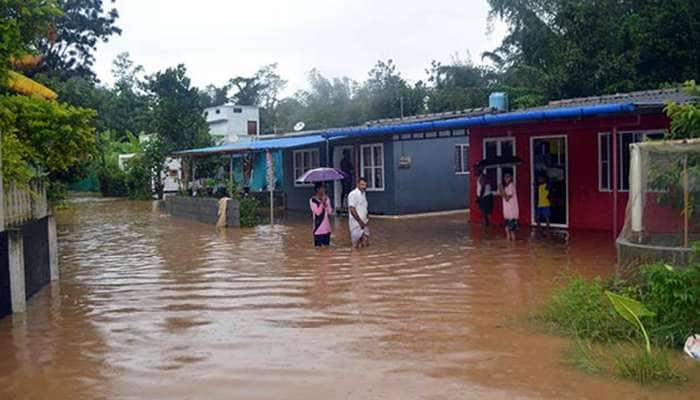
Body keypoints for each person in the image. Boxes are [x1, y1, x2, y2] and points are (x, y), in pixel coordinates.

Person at [348, 177, 370, 249]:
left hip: (364, 222)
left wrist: (366, 219)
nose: (364, 187)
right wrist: (360, 222)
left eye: (365, 185)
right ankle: (355, 258)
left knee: (365, 243)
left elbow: (364, 208)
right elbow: (352, 209)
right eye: (362, 185)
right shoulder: (353, 194)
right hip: (356, 223)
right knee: (356, 245)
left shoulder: (363, 194)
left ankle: (363, 259)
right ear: (357, 184)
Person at [309, 183, 333, 247]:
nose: (324, 190)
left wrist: (326, 203)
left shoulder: (327, 199)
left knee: (326, 249)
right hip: (318, 229)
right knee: (318, 249)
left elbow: (330, 212)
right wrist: (322, 203)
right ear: (317, 189)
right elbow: (317, 212)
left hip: (327, 229)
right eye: (322, 188)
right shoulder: (312, 200)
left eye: (324, 188)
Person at [499, 173, 519, 241]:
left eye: (508, 177)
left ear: (511, 178)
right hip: (507, 213)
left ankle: (513, 248)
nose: (506, 178)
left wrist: (502, 189)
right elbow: (503, 195)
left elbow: (507, 198)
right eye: (505, 177)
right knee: (507, 231)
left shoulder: (511, 185)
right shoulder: (506, 187)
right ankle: (510, 249)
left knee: (512, 232)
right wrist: (501, 189)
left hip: (512, 213)